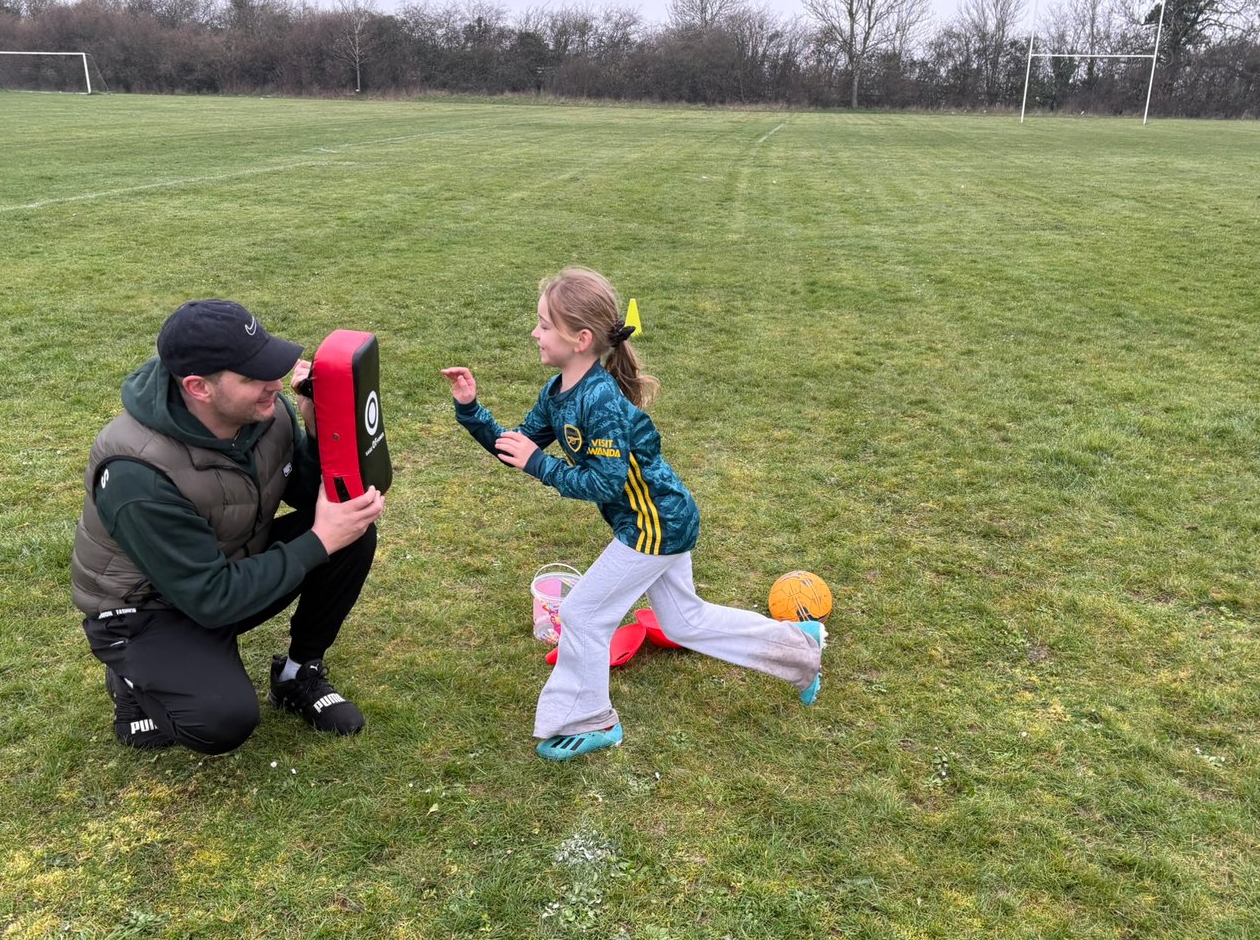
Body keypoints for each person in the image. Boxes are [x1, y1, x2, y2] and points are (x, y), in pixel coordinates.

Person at [440, 267, 825, 761]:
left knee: (583, 613)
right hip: (653, 520)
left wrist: (542, 467)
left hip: (656, 524)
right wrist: (472, 410)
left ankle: (591, 719)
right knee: (685, 621)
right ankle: (800, 646)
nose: (533, 332)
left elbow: (604, 481)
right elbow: (518, 447)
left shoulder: (599, 401)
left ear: (580, 339)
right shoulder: (559, 390)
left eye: (543, 324)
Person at [72, 299, 384, 753]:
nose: (275, 385)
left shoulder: (264, 413)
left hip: (222, 568)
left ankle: (298, 674)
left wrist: (318, 430)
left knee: (352, 532)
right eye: (255, 377)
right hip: (145, 610)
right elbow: (212, 600)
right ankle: (132, 679)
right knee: (221, 721)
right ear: (199, 387)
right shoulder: (135, 472)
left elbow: (303, 492)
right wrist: (318, 540)